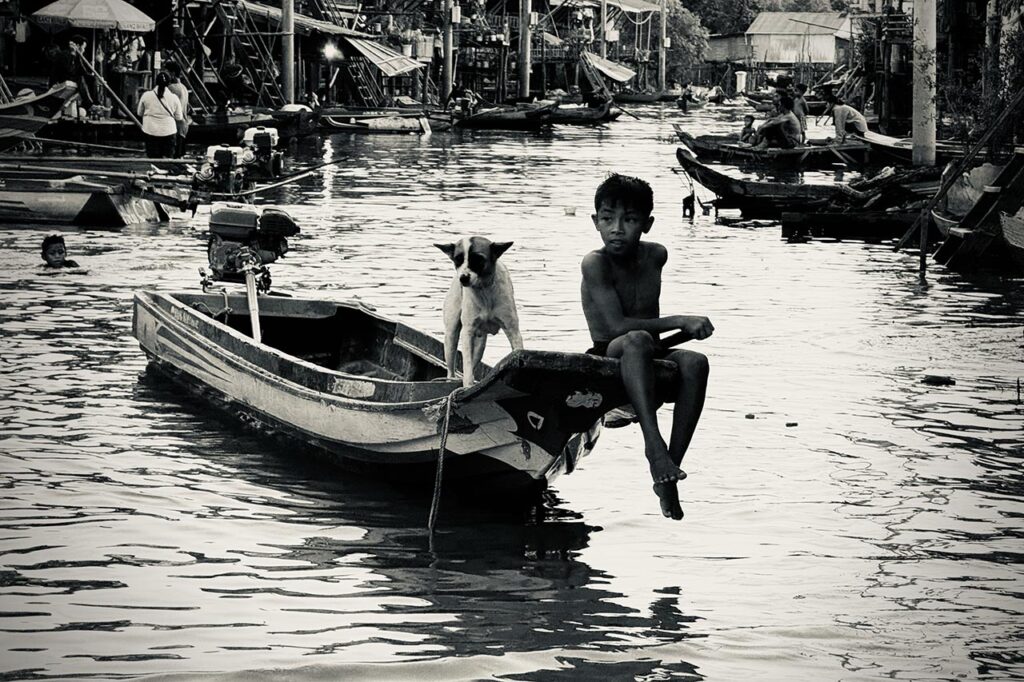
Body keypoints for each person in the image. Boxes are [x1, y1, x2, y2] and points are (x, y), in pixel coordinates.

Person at [581, 174, 713, 520]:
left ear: (647, 224)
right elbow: (616, 327)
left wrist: (692, 330)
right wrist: (681, 320)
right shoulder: (594, 263)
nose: (617, 229)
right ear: (596, 222)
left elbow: (646, 324)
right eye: (607, 219)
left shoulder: (656, 255)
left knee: (696, 362)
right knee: (636, 340)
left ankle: (670, 471)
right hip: (609, 354)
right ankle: (654, 448)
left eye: (630, 220)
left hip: (649, 354)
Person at [136, 71, 183, 158]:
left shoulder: (146, 95)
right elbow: (179, 117)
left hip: (150, 131)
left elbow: (139, 113)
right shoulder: (174, 98)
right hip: (169, 131)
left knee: (153, 160)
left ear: (155, 82)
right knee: (168, 160)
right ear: (169, 83)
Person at [163, 62, 190, 158]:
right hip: (183, 127)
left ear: (172, 73)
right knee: (179, 157)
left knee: (171, 157)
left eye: (166, 72)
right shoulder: (184, 88)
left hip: (175, 127)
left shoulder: (171, 88)